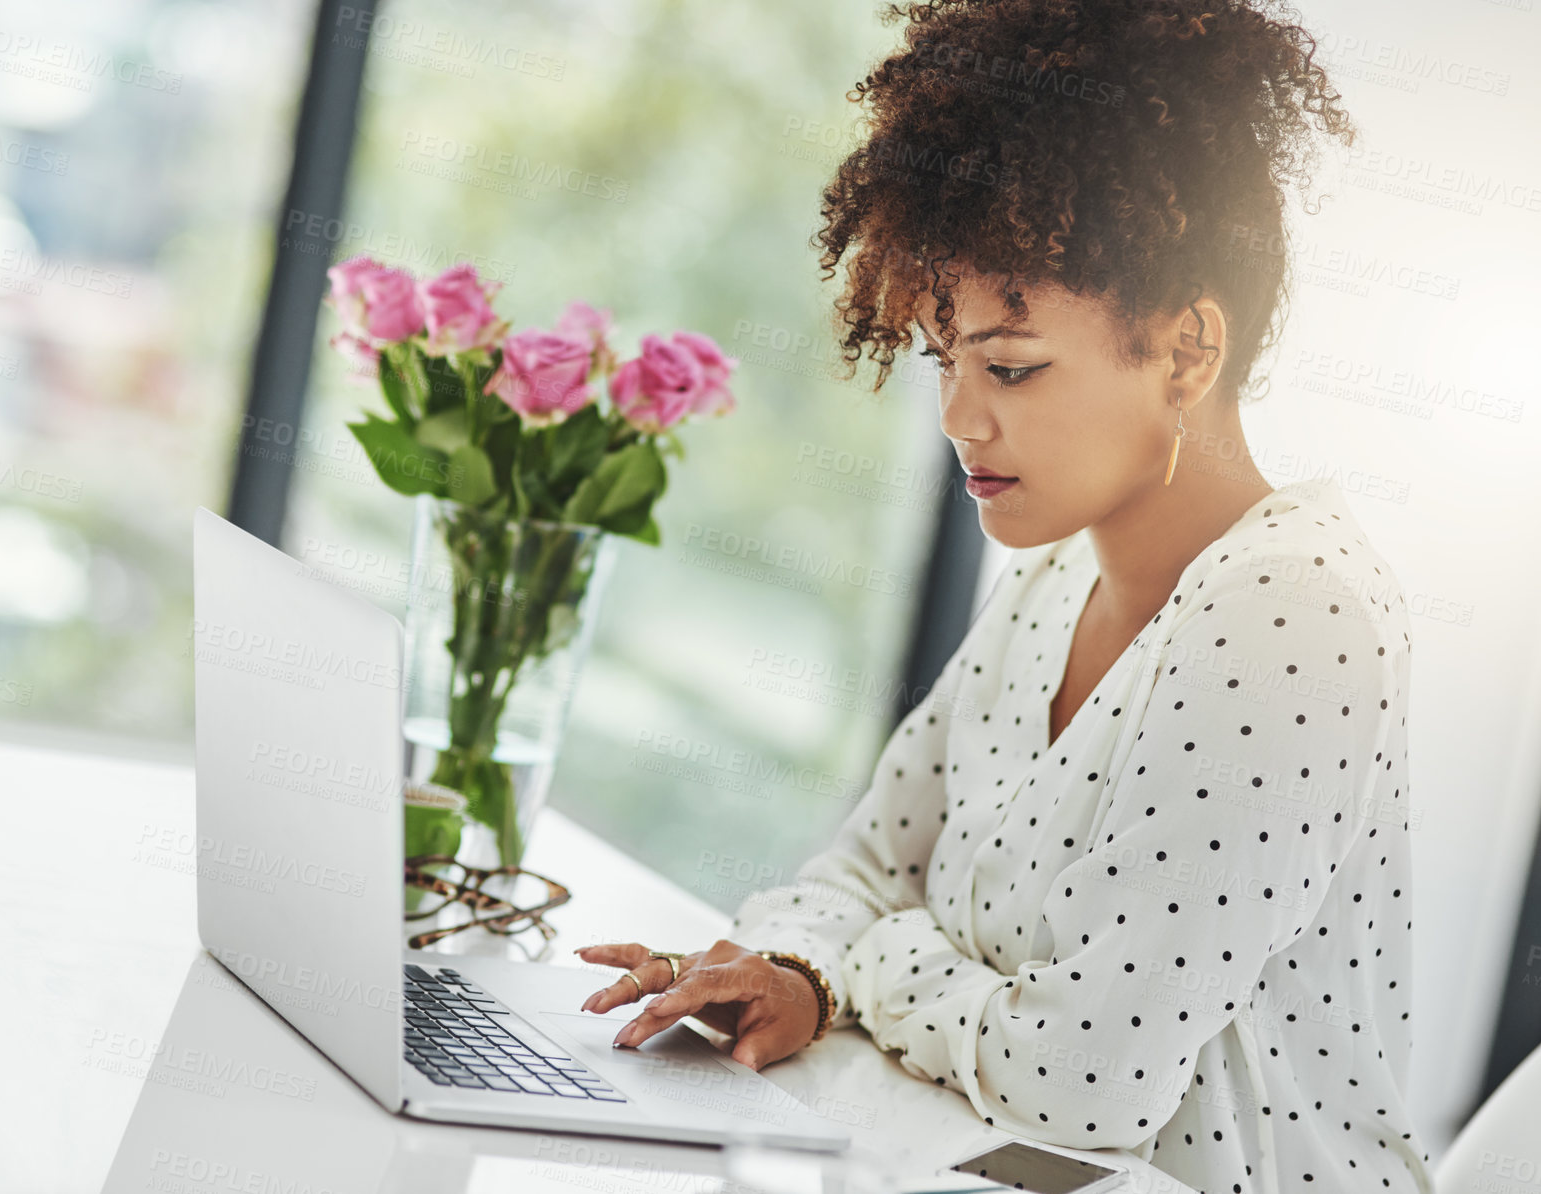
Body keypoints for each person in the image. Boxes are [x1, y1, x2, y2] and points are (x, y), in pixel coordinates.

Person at [579, 0, 1431, 1188]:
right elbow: (863, 867)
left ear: (1188, 350)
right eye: (944, 357)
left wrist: (865, 969)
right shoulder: (1052, 579)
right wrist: (807, 971)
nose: (959, 419)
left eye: (1013, 367)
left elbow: (1087, 1085)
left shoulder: (1296, 614)